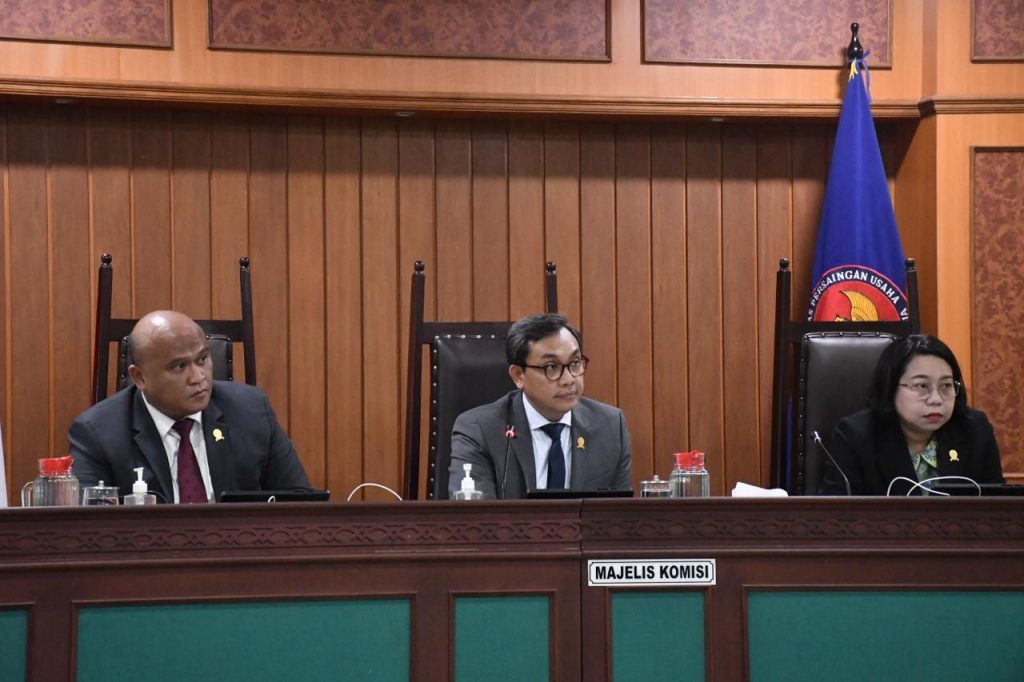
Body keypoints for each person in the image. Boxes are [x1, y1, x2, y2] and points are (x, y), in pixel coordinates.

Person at [69, 311, 310, 503]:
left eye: (202, 359)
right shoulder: (97, 433)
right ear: (140, 377)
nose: (198, 377)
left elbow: (300, 503)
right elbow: (90, 528)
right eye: (179, 366)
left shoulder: (251, 410)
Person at [448, 312, 632, 499]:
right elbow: (477, 514)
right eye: (551, 367)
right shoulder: (479, 430)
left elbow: (620, 513)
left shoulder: (610, 426)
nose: (569, 379)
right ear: (518, 375)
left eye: (575, 363)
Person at [820, 334, 1004, 495]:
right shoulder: (856, 437)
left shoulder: (975, 431)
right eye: (921, 386)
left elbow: (998, 509)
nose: (936, 399)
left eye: (946, 386)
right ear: (890, 388)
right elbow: (837, 515)